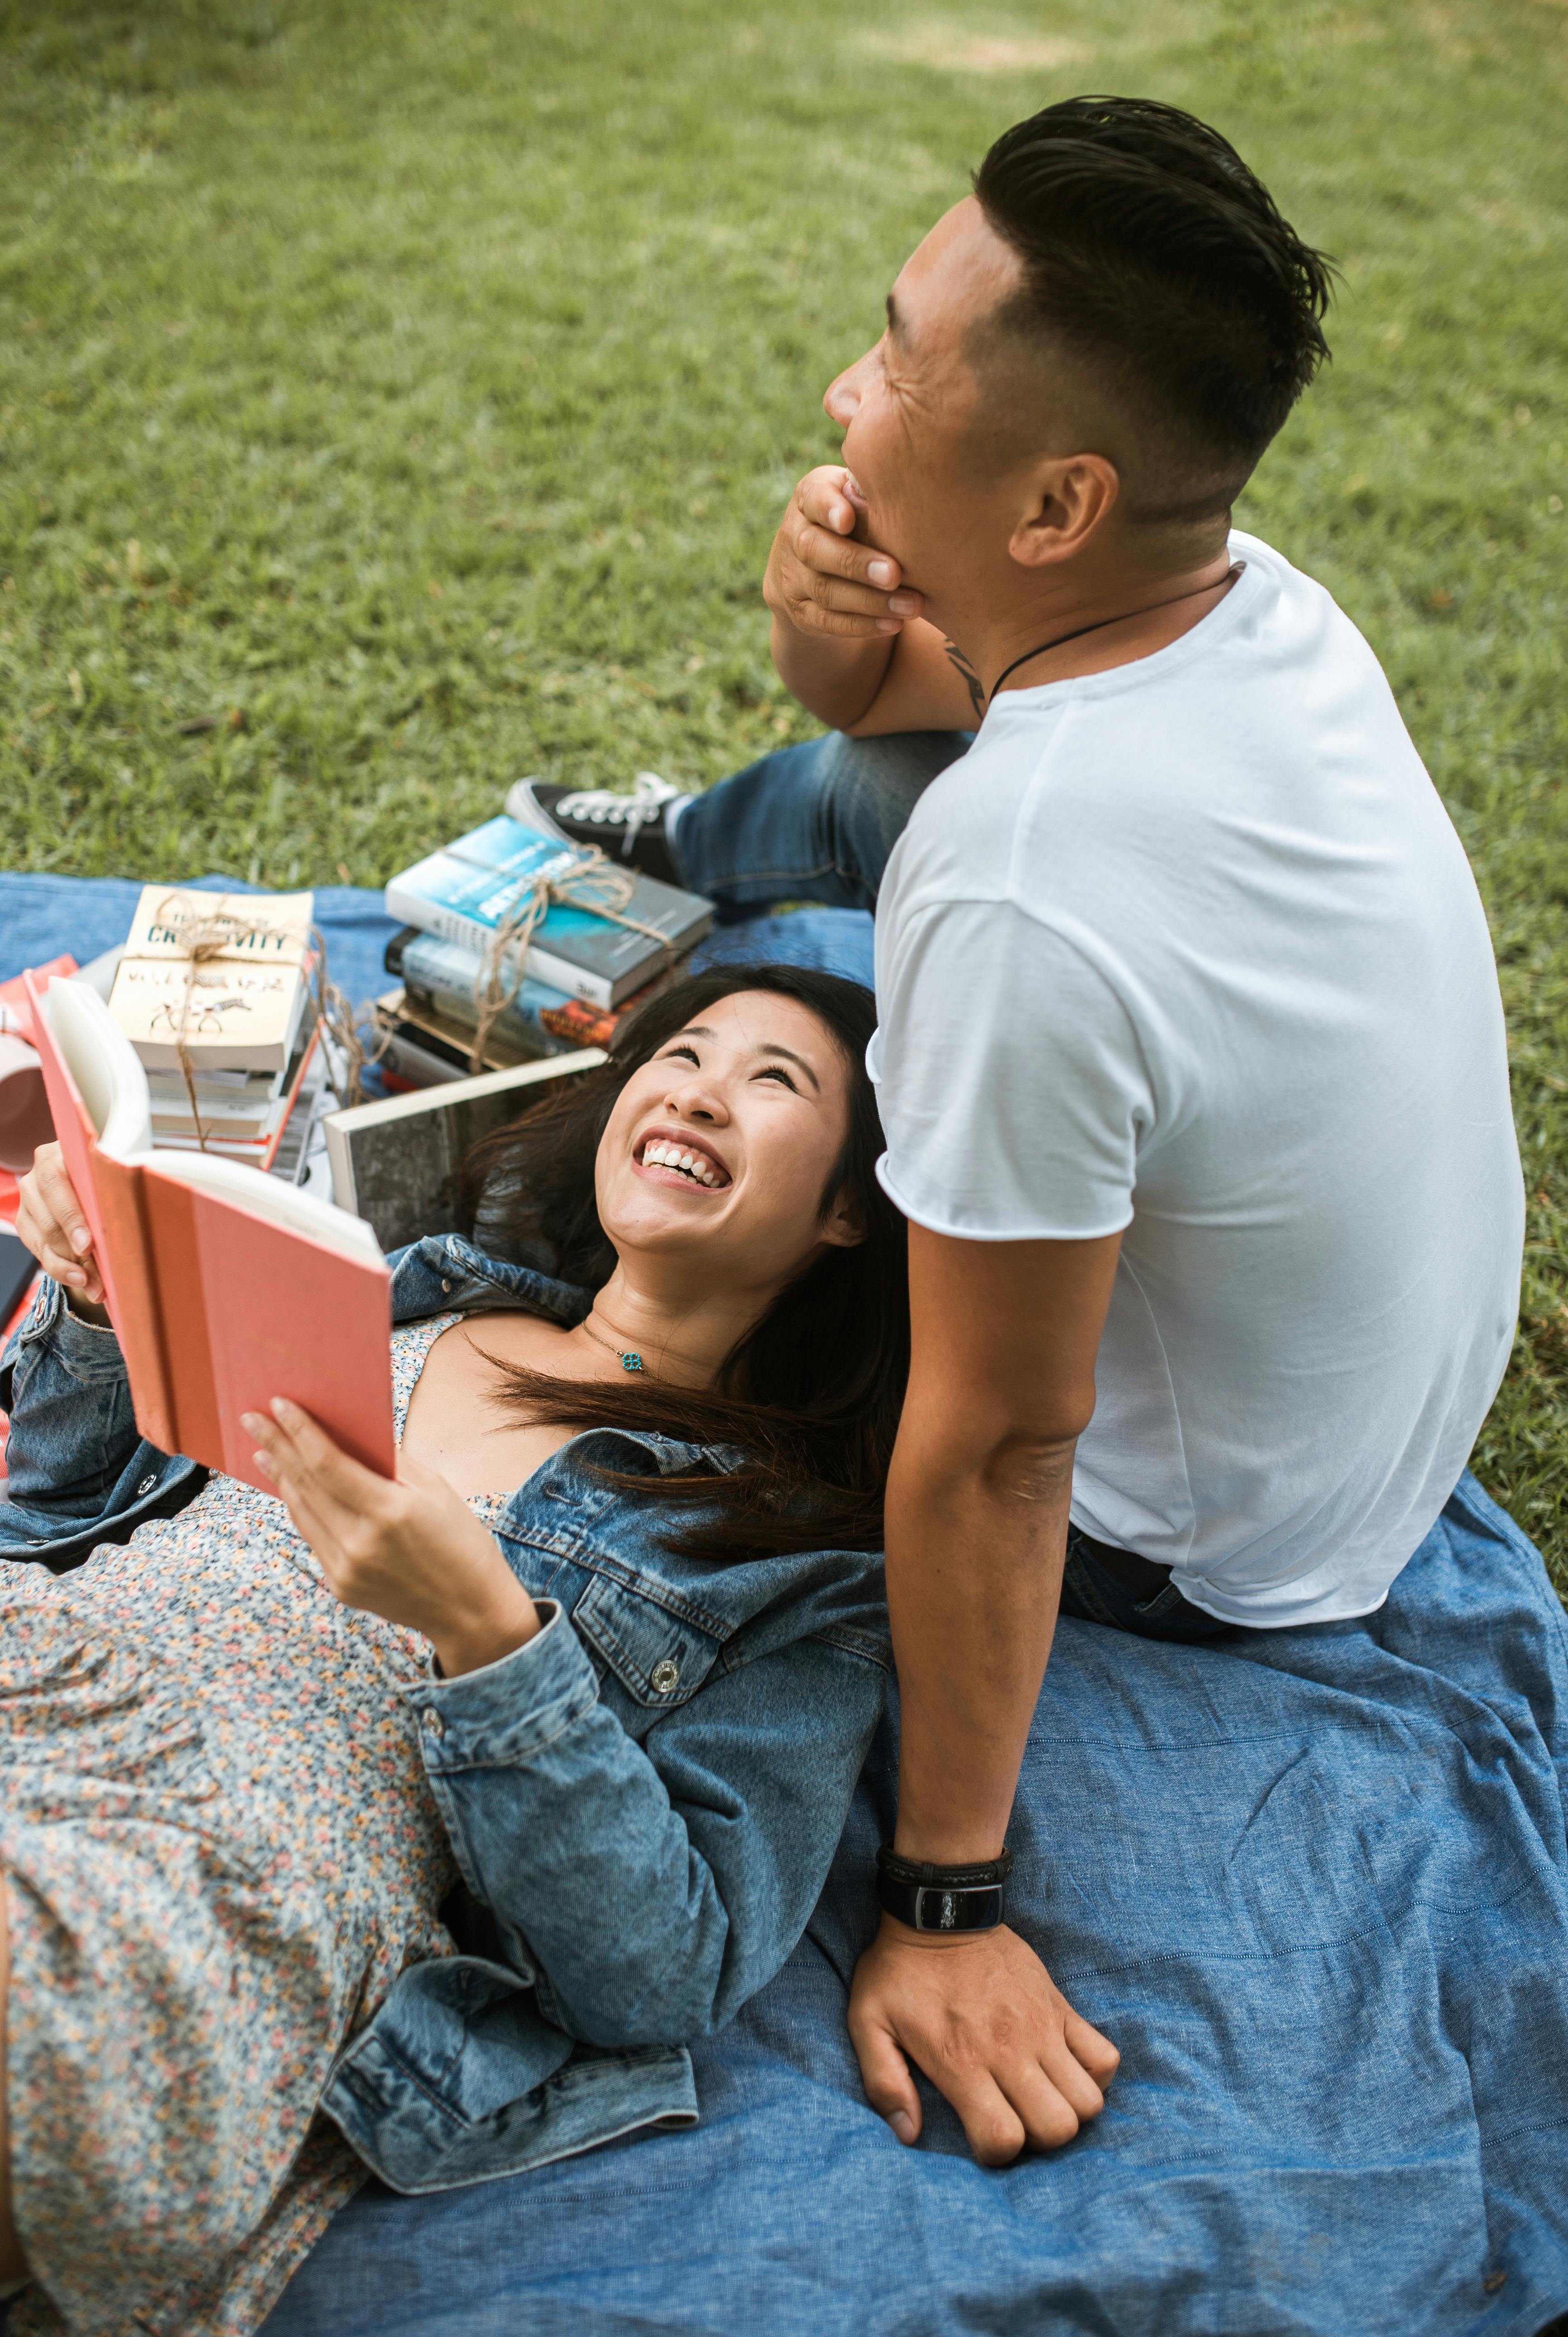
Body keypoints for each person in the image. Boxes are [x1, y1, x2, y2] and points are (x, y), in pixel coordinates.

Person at [512, 97, 1526, 2165]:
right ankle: (693, 842)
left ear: (1058, 499)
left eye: (894, 358)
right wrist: (819, 616)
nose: (841, 388)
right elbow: (897, 702)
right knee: (863, 797)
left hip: (1200, 1539)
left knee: (667, 1293)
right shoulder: (1242, 599)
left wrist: (948, 1893)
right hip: (1378, 1416)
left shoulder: (1029, 890)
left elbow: (1004, 1444)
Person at [0, 966, 1011, 2337]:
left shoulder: (787, 1566)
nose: (697, 1087)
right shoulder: (423, 1290)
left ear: (848, 1206)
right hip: (47, 1660)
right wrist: (100, 1308)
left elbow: (660, 1973)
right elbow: (52, 1509)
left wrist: (486, 1641)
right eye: (681, 1051)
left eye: (775, 1081)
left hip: (231, 1846)